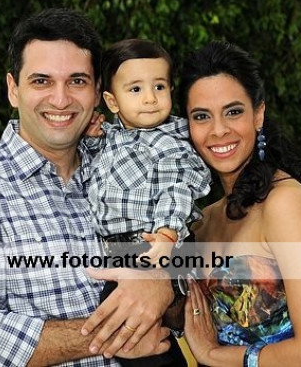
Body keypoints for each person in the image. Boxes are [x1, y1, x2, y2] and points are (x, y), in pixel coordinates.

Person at [0, 8, 175, 366]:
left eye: (77, 81)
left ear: (97, 92)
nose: (61, 99)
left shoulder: (127, 172)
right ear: (13, 89)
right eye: (41, 81)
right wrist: (112, 335)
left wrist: (162, 282)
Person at [179, 41, 301, 366]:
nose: (218, 130)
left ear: (258, 114)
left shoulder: (285, 204)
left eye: (233, 111)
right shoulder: (203, 220)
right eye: (201, 116)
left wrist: (214, 355)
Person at [83, 38, 212, 366]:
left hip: (155, 245)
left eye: (159, 86)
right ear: (112, 101)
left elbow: (176, 189)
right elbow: (101, 168)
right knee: (132, 335)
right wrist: (91, 135)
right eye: (136, 89)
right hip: (122, 251)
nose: (151, 98)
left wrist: (167, 233)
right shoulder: (115, 136)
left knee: (134, 328)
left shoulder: (171, 143)